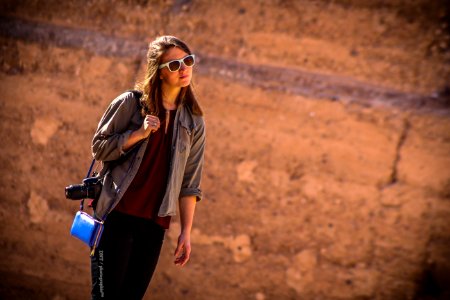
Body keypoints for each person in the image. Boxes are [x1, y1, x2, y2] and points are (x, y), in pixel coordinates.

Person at [89, 35, 206, 299]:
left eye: (188, 61)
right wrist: (138, 134)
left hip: (154, 225)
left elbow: (190, 183)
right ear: (159, 73)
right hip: (116, 216)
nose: (184, 68)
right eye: (174, 65)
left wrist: (185, 233)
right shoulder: (130, 103)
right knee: (104, 297)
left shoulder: (194, 122)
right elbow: (99, 147)